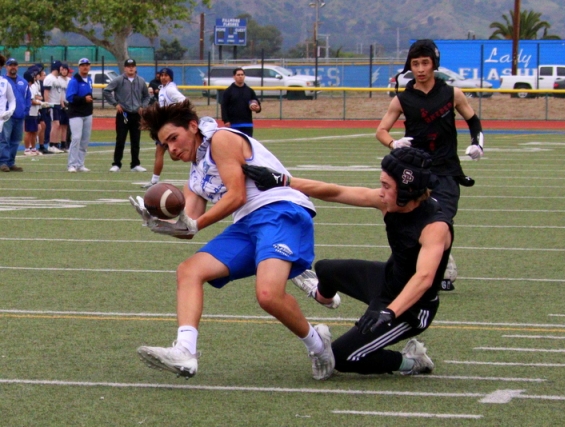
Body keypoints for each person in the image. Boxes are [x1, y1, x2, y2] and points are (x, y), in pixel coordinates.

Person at [130, 99, 334, 381]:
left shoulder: (221, 140)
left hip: (279, 210)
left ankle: (318, 344)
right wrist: (160, 223)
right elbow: (189, 225)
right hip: (248, 224)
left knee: (267, 295)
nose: (172, 149)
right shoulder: (196, 175)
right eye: (166, 145)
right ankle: (185, 351)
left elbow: (236, 195)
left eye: (174, 138)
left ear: (192, 126)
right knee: (189, 271)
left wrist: (195, 224)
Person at [243, 147, 452, 377]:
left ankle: (412, 362)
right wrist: (282, 180)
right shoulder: (389, 202)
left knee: (342, 357)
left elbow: (424, 278)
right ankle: (321, 296)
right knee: (325, 269)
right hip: (388, 280)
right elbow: (336, 192)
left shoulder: (435, 226)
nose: (380, 192)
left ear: (406, 191)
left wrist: (389, 312)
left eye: (386, 186)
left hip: (412, 307)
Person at [375, 39, 483, 291]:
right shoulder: (402, 100)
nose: (421, 68)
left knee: (442, 220)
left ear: (434, 64)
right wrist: (394, 144)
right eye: (415, 64)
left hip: (446, 170)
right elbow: (380, 131)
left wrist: (478, 143)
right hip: (414, 172)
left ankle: (440, 271)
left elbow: (473, 120)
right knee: (413, 222)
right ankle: (416, 268)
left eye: (425, 63)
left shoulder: (452, 94)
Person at [141, 67, 186, 189]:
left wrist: (174, 116)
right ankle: (154, 181)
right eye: (162, 75)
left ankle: (154, 181)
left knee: (173, 155)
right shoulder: (163, 89)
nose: (163, 77)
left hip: (170, 127)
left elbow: (184, 101)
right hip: (164, 126)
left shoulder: (170, 89)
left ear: (170, 77)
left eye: (166, 75)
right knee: (161, 152)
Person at [104, 58, 150, 172]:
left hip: (136, 114)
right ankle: (116, 164)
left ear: (135, 67)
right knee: (120, 139)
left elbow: (147, 96)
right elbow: (106, 91)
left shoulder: (141, 81)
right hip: (123, 114)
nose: (131, 68)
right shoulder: (119, 80)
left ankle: (135, 164)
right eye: (129, 66)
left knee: (136, 140)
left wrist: (142, 106)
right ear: (125, 68)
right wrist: (115, 104)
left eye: (133, 66)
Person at [0, 57, 31, 172]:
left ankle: (11, 162)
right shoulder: (2, 81)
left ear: (18, 67)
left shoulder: (23, 82)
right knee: (4, 140)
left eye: (15, 65)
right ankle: (3, 162)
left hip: (19, 116)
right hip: (7, 116)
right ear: (6, 67)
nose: (13, 67)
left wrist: (25, 111)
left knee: (15, 140)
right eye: (10, 65)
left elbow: (28, 98)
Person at [65, 57, 94, 173]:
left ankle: (80, 164)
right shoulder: (74, 81)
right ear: (79, 67)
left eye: (87, 65)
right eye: (83, 65)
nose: (85, 67)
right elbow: (70, 97)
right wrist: (83, 99)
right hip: (76, 113)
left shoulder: (90, 80)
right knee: (76, 138)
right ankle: (71, 164)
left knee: (85, 140)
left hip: (87, 113)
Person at [220, 67, 261, 137]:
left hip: (247, 124)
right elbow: (224, 106)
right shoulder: (228, 91)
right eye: (238, 75)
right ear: (234, 77)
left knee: (247, 146)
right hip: (234, 124)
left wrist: (257, 108)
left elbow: (257, 105)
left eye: (242, 75)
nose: (240, 76)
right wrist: (226, 120)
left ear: (244, 76)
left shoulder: (250, 91)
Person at [23, 70, 49, 156]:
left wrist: (40, 103)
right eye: (33, 76)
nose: (35, 78)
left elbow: (37, 97)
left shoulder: (34, 86)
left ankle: (33, 149)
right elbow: (31, 101)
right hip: (29, 112)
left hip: (35, 111)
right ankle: (27, 149)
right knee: (29, 131)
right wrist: (41, 103)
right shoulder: (27, 87)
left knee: (34, 131)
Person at [42, 60, 66, 153]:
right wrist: (47, 104)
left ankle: (55, 144)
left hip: (57, 104)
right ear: (58, 68)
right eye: (61, 67)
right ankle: (51, 145)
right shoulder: (49, 78)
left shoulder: (56, 78)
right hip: (52, 104)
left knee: (58, 125)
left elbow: (58, 93)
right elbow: (46, 92)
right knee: (55, 124)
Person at [0, 55, 16, 165]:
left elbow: (12, 100)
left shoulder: (4, 83)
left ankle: (5, 162)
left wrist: (10, 111)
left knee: (3, 141)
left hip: (1, 118)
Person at [57, 63, 71, 151]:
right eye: (62, 70)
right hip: (61, 104)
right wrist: (62, 104)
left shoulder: (69, 80)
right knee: (60, 125)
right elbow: (59, 93)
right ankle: (56, 142)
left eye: (65, 69)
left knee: (66, 125)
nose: (64, 71)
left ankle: (64, 143)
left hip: (68, 103)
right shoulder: (58, 80)